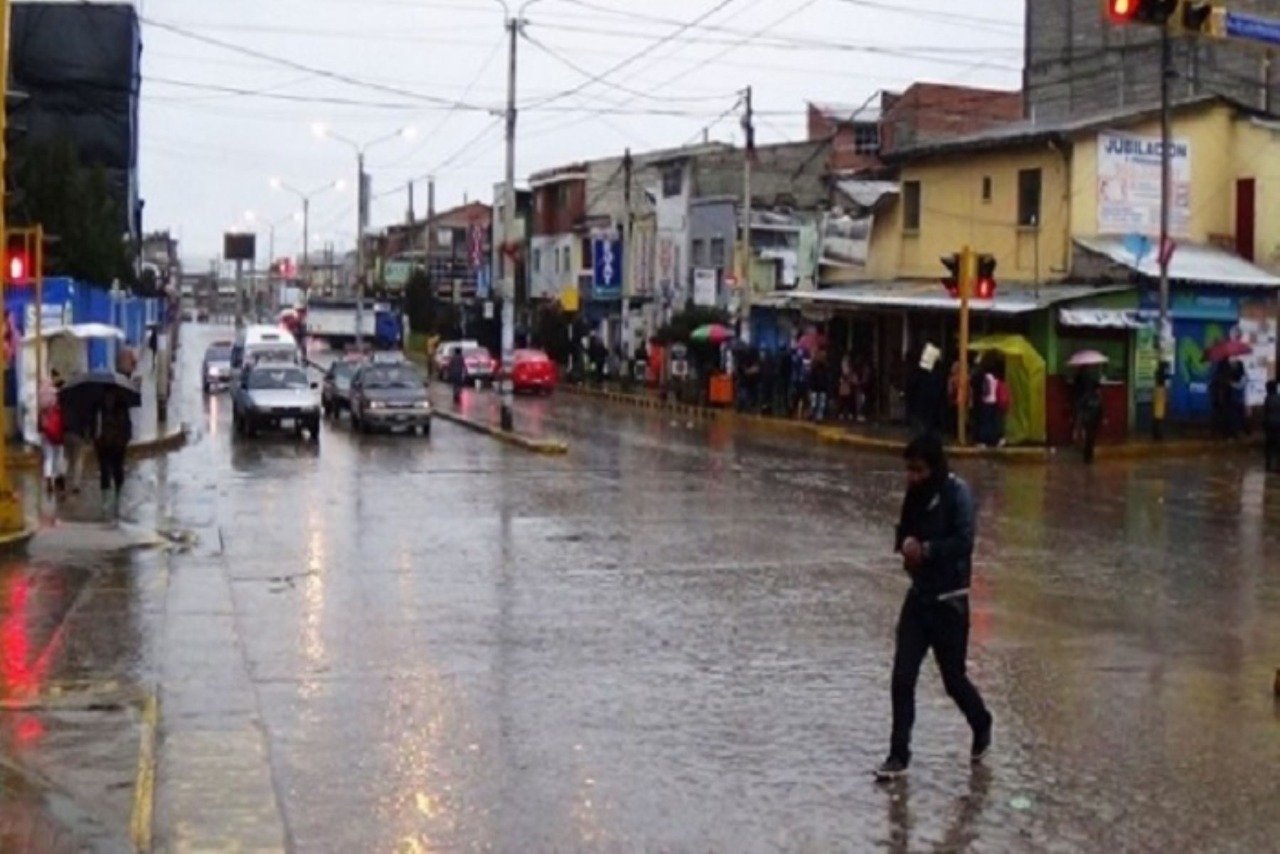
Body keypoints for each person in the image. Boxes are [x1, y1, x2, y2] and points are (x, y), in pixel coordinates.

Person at [878, 433, 993, 781]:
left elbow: (964, 542)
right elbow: (903, 535)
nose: (912, 477)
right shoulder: (914, 496)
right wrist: (907, 548)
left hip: (949, 603)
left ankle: (981, 721)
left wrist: (926, 550)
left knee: (953, 679)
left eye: (919, 470)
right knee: (902, 678)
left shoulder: (957, 494)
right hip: (919, 599)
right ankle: (898, 755)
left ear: (935, 467)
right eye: (909, 470)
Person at [93, 387, 133, 521]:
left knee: (117, 471)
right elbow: (95, 425)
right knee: (104, 472)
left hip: (118, 445)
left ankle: (117, 499)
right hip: (103, 446)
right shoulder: (99, 407)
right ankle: (105, 503)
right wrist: (97, 440)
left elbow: (127, 426)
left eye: (111, 395)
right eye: (107, 395)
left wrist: (123, 440)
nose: (109, 397)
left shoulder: (122, 407)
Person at [38, 374, 65, 496]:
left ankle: (48, 479)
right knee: (58, 455)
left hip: (45, 430)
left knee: (48, 457)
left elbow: (39, 416)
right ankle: (58, 477)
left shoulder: (41, 396)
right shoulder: (56, 395)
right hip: (57, 429)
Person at [1073, 369, 1104, 464]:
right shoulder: (1092, 397)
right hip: (1090, 420)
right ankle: (1088, 456)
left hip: (1089, 419)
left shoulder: (1091, 397)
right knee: (1090, 438)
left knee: (1089, 437)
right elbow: (1099, 410)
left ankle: (1087, 455)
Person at [1264, 380, 1280, 472]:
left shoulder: (1268, 398)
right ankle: (1278, 466)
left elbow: (1266, 412)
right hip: (1279, 424)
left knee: (1269, 445)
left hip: (1270, 424)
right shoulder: (1278, 398)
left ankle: (1268, 466)